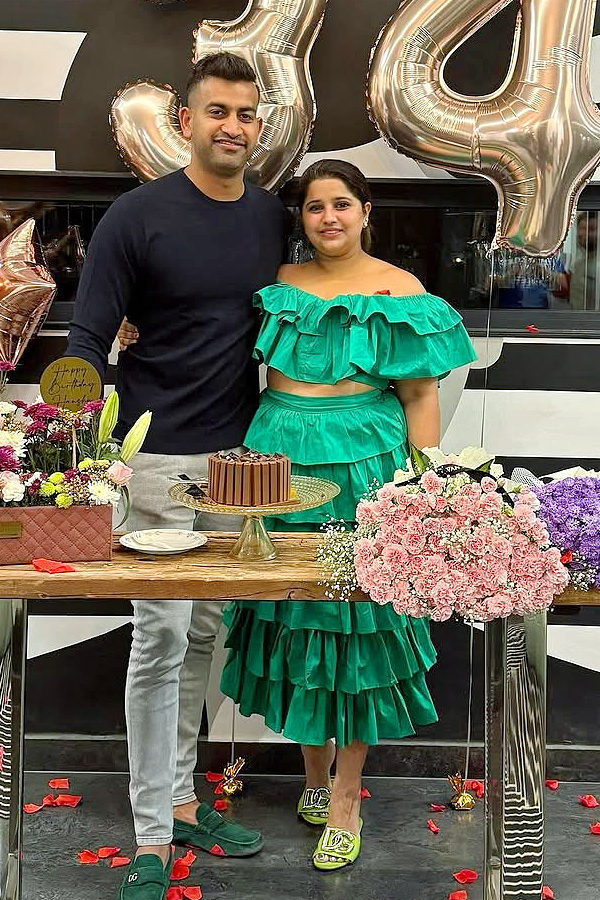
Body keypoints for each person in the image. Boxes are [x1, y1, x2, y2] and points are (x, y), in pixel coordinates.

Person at [66, 52, 289, 900]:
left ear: (258, 127)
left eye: (246, 113)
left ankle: (185, 802)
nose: (233, 126)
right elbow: (89, 337)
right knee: (158, 644)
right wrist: (79, 448)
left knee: (201, 639)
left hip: (238, 466)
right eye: (217, 111)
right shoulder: (137, 216)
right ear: (187, 122)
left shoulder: (269, 216)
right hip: (154, 461)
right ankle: (152, 834)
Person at [218, 159, 477, 871]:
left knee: (358, 626)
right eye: (314, 207)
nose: (328, 217)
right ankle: (312, 776)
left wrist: (423, 491)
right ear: (300, 218)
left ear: (366, 211)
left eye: (341, 204)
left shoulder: (402, 290)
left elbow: (420, 397)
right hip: (278, 462)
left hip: (367, 465)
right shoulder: (279, 283)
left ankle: (346, 797)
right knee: (293, 617)